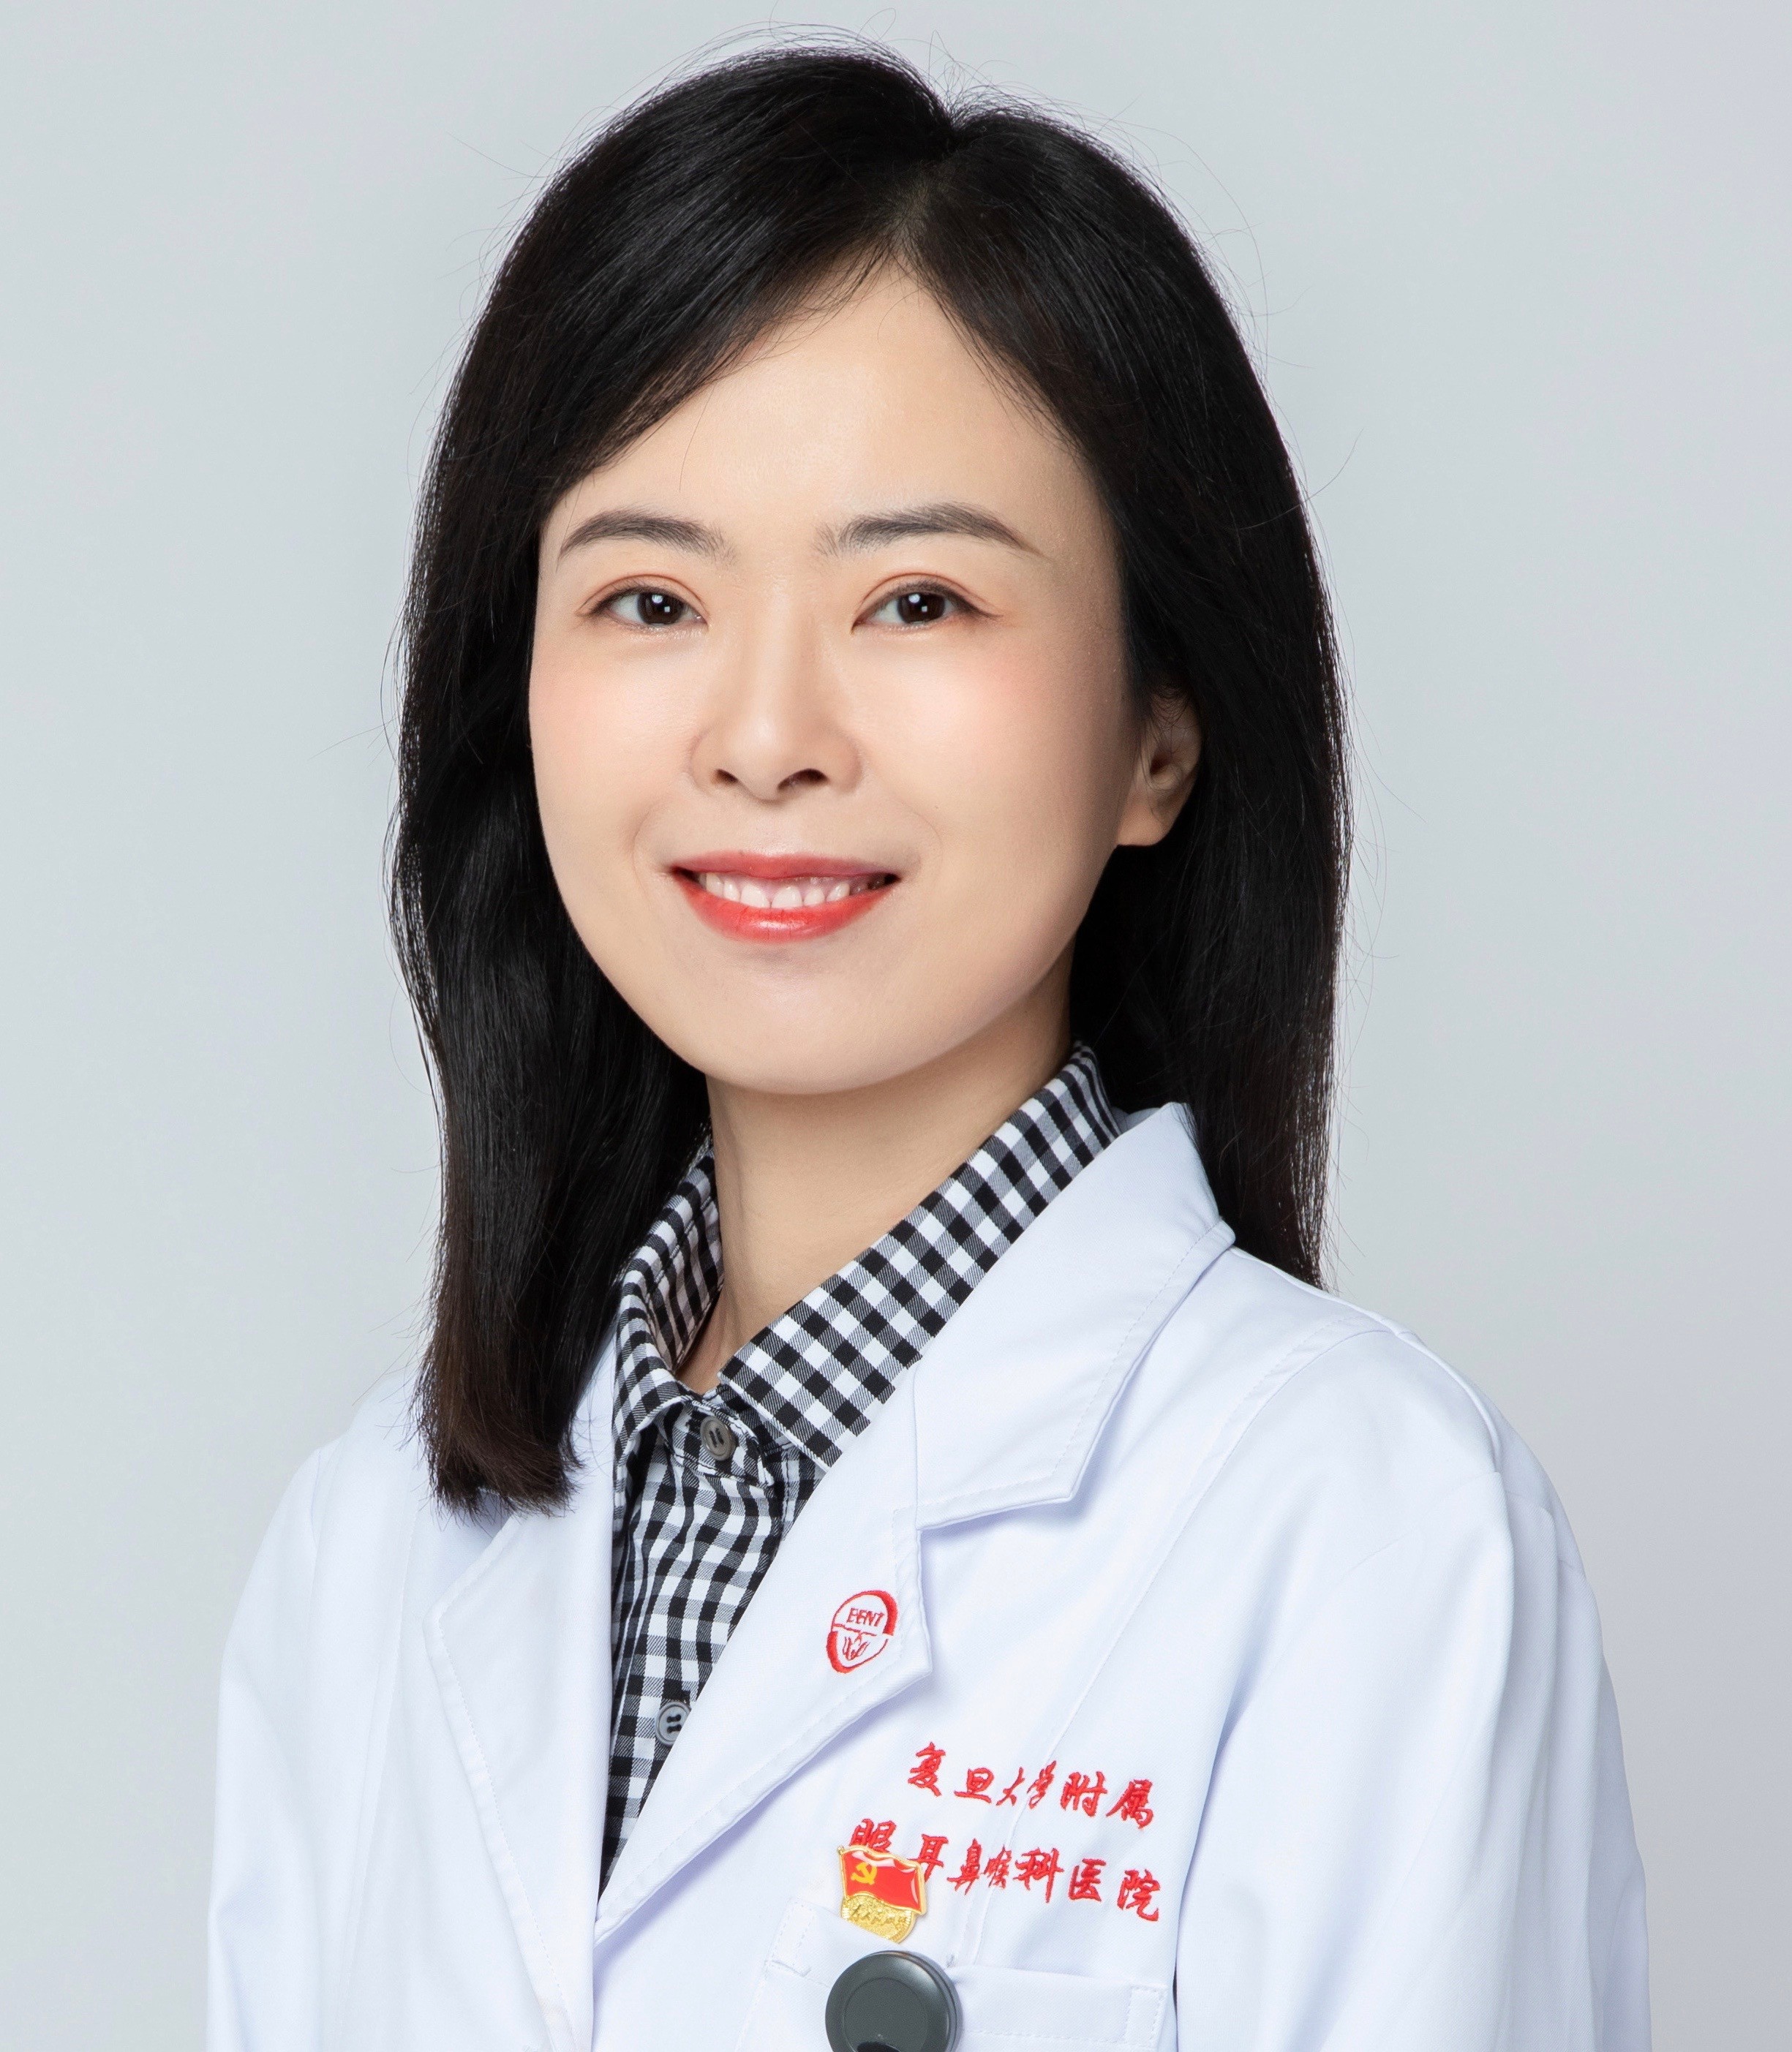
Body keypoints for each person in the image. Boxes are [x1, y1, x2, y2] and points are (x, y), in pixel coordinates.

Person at [206, 44, 1649, 2052]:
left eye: (915, 600)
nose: (764, 735)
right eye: (649, 598)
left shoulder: (1362, 1525)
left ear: (1158, 735)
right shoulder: (369, 1547)